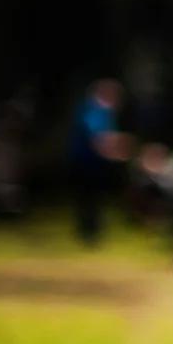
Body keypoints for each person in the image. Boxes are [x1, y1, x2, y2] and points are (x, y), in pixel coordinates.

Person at [65, 79, 130, 245]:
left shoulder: (100, 111)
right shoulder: (95, 110)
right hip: (86, 163)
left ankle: (91, 233)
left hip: (91, 164)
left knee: (93, 200)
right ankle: (89, 234)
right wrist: (121, 148)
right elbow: (100, 138)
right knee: (89, 199)